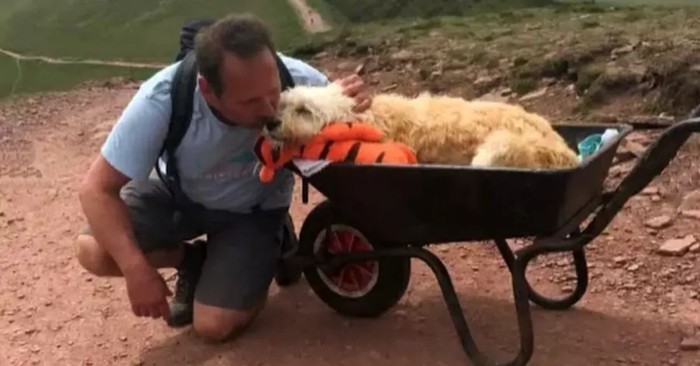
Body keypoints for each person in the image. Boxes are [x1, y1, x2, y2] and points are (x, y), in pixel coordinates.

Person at [74, 13, 373, 343]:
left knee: (213, 326)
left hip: (253, 211)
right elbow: (96, 190)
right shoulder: (163, 97)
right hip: (181, 197)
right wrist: (135, 269)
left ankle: (274, 240)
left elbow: (356, 135)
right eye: (249, 101)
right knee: (94, 250)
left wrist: (357, 106)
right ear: (208, 90)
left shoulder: (299, 79)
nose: (269, 109)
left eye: (274, 92)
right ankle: (192, 260)